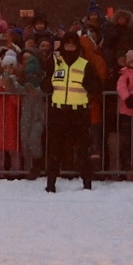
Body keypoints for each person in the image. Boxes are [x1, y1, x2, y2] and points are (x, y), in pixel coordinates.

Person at [43, 33, 93, 192]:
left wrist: (89, 84)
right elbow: (46, 86)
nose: (70, 48)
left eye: (73, 45)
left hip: (79, 113)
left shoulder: (86, 65)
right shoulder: (55, 63)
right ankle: (50, 184)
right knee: (54, 150)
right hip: (58, 112)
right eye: (67, 45)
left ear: (77, 47)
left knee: (82, 150)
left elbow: (96, 87)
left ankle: (87, 183)